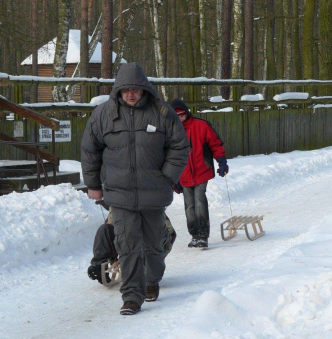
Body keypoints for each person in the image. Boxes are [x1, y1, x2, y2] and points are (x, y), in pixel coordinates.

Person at [81, 62, 189, 315]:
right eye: (126, 89)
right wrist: (93, 185)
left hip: (154, 192)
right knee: (127, 245)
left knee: (153, 245)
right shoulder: (103, 114)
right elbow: (90, 150)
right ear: (118, 89)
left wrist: (166, 177)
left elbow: (180, 147)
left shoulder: (162, 113)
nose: (131, 94)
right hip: (120, 194)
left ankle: (151, 280)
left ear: (144, 89)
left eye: (136, 89)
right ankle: (131, 295)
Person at [170, 98, 229, 249]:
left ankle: (203, 235)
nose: (180, 118)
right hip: (183, 175)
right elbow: (167, 155)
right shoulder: (171, 131)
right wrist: (172, 178)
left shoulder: (201, 125)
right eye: (176, 115)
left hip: (202, 170)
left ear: (187, 113)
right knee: (189, 205)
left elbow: (215, 143)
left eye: (182, 114)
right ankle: (195, 234)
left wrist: (221, 161)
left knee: (199, 200)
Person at [87, 209, 177, 285]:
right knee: (105, 229)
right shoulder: (118, 204)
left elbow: (169, 234)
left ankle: (145, 267)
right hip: (125, 240)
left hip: (148, 245)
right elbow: (110, 226)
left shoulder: (149, 204)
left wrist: (158, 256)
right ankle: (99, 265)